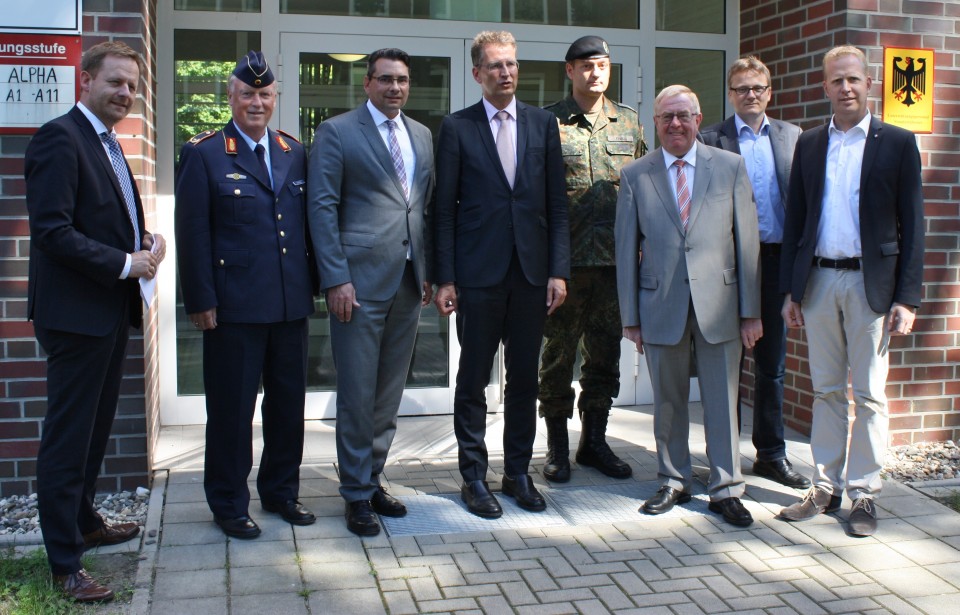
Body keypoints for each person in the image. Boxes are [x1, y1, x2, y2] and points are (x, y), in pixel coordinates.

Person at [25, 41, 164, 603]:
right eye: (115, 82)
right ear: (85, 82)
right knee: (68, 439)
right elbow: (52, 232)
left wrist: (145, 241)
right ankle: (64, 562)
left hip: (107, 312)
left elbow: (104, 219)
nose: (126, 93)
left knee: (94, 432)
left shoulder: (107, 143)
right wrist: (124, 262)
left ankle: (84, 522)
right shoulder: (61, 138)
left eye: (132, 85)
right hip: (76, 317)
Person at [778, 46, 924, 537]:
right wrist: (791, 291)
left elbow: (914, 226)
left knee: (868, 394)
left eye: (854, 80)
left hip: (871, 286)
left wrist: (907, 298)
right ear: (825, 87)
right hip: (818, 281)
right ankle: (823, 487)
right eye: (837, 81)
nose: (845, 88)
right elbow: (797, 219)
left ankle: (863, 493)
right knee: (824, 390)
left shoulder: (898, 143)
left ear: (869, 84)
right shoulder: (812, 143)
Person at [175, 51, 316, 540]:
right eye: (247, 93)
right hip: (233, 308)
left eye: (265, 94)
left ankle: (281, 492)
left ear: (275, 99)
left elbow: (306, 230)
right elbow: (193, 233)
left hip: (289, 305)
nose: (257, 102)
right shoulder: (205, 152)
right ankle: (229, 503)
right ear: (231, 96)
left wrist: (316, 289)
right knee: (232, 412)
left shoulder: (293, 151)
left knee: (286, 407)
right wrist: (200, 300)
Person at [434, 31, 569, 519]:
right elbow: (442, 210)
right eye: (494, 66)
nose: (505, 72)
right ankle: (473, 476)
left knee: (523, 381)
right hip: (478, 275)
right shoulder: (457, 127)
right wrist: (445, 278)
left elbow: (557, 204)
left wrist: (558, 270)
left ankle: (516, 473)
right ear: (477, 74)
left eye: (511, 64)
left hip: (531, 275)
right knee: (472, 380)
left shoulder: (543, 124)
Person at [615, 84, 761, 528]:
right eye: (666, 117)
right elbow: (625, 251)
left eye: (683, 116)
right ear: (654, 123)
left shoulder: (730, 167)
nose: (675, 124)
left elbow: (747, 242)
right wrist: (630, 319)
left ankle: (726, 488)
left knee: (721, 399)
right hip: (660, 303)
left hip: (720, 302)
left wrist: (751, 311)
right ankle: (674, 480)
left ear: (699, 120)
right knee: (669, 401)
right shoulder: (636, 174)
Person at [307, 48, 435, 537]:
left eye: (402, 80)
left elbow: (424, 208)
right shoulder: (337, 132)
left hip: (406, 281)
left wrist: (428, 270)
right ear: (367, 83)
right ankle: (356, 495)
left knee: (387, 393)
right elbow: (322, 209)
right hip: (357, 285)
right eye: (385, 79)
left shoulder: (421, 135)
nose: (395, 88)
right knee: (358, 392)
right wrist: (336, 278)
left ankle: (373, 477)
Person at [538, 36, 646, 483]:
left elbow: (642, 192)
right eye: (585, 65)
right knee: (558, 357)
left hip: (614, 267)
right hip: (566, 266)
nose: (594, 72)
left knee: (605, 357)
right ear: (569, 71)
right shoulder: (547, 124)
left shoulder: (631, 123)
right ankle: (557, 448)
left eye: (601, 64)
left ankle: (594, 443)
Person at [700, 56, 810, 490]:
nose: (751, 95)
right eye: (742, 88)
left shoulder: (792, 137)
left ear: (770, 92)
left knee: (772, 364)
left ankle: (771, 454)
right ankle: (724, 458)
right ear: (730, 94)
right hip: (729, 264)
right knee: (727, 364)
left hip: (778, 261)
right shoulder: (712, 139)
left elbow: (801, 202)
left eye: (758, 88)